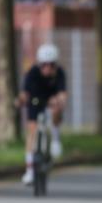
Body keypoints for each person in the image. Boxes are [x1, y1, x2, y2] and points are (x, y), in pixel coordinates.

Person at [16, 43, 67, 185]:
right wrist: (20, 101)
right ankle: (30, 171)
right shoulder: (32, 73)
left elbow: (63, 93)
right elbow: (24, 93)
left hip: (51, 102)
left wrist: (59, 100)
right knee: (31, 131)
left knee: (56, 108)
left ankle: (55, 139)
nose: (48, 68)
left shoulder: (60, 73)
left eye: (51, 65)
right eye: (45, 65)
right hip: (36, 101)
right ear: (40, 64)